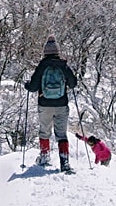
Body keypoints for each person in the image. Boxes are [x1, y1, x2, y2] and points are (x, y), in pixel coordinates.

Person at [22, 36, 78, 172]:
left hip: (45, 104)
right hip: (61, 105)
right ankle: (64, 162)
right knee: (61, 134)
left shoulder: (42, 66)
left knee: (44, 131)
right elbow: (73, 83)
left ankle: (45, 156)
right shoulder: (63, 65)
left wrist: (27, 85)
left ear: (45, 52)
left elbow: (34, 87)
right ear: (57, 51)